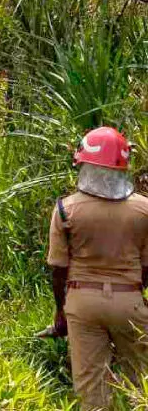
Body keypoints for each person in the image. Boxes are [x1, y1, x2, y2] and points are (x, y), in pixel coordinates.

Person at [46, 126, 148, 410]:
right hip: (129, 299)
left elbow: (58, 269)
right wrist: (135, 296)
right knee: (141, 380)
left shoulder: (66, 209)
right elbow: (147, 266)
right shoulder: (144, 210)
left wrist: (60, 312)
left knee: (91, 388)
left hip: (83, 302)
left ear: (84, 164)